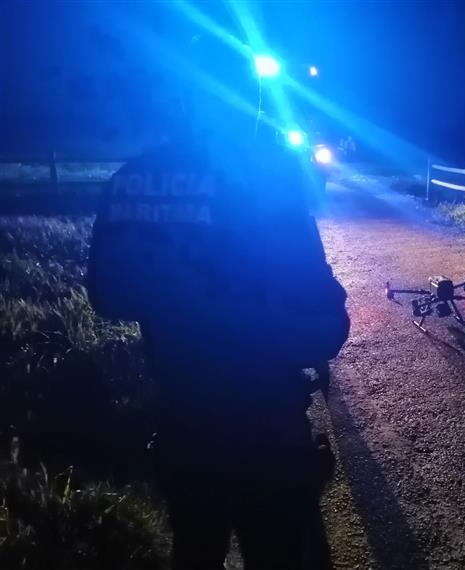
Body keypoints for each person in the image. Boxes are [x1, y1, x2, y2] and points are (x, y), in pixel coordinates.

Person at [86, 35, 350, 569]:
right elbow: (324, 325)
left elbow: (107, 294)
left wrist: (185, 303)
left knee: (195, 552)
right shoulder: (267, 180)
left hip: (184, 423)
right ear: (245, 99)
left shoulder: (132, 181)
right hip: (266, 431)